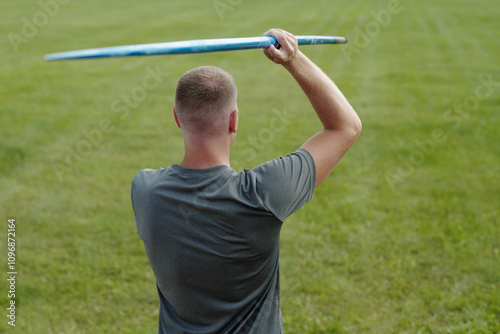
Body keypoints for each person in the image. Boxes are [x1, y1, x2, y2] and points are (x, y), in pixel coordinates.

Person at [131, 28, 361, 333]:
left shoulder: (145, 190)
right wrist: (293, 60)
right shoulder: (263, 195)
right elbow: (345, 127)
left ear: (176, 118)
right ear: (234, 120)